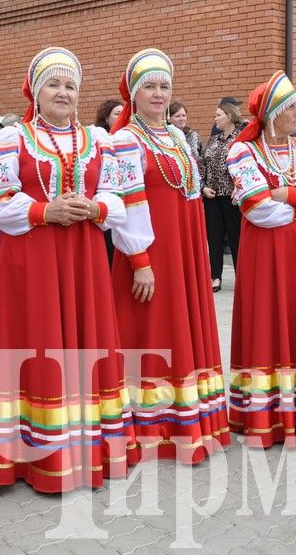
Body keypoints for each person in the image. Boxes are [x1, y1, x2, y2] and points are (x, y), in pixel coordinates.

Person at [0, 47, 136, 491]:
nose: (63, 92)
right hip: (31, 260)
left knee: (86, 345)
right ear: (35, 91)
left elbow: (118, 198)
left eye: (70, 85)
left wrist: (96, 206)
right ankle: (35, 457)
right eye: (54, 83)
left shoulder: (98, 140)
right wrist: (43, 211)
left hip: (83, 257)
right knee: (39, 343)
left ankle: (88, 452)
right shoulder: (12, 139)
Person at [110, 48, 230, 463]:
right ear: (134, 94)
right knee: (152, 331)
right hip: (150, 251)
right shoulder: (125, 139)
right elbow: (125, 202)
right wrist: (140, 260)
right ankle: (151, 429)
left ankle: (190, 420)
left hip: (184, 247)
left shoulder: (178, 137)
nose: (158, 94)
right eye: (150, 87)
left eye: (164, 86)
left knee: (183, 326)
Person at [226, 70, 296, 448]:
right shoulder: (243, 151)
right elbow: (258, 209)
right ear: (273, 112)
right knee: (270, 320)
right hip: (267, 254)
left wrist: (286, 196)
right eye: (291, 106)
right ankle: (269, 417)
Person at [198, 100, 243, 292]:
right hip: (213, 196)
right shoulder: (213, 140)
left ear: (229, 116)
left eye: (218, 115)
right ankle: (215, 276)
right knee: (214, 237)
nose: (215, 119)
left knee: (237, 238)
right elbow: (202, 165)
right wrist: (203, 187)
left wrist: (241, 188)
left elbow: (247, 165)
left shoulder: (241, 139)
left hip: (233, 197)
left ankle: (243, 276)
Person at [94, 98, 124, 266]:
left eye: (123, 113)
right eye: (116, 114)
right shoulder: (99, 138)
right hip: (106, 199)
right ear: (106, 118)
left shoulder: (129, 136)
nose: (121, 117)